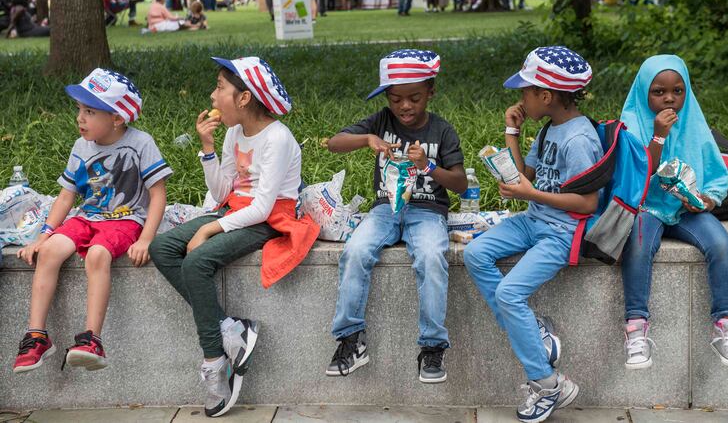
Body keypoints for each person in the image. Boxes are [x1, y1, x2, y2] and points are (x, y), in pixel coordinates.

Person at [149, 56, 318, 417]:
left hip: (269, 217)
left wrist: (210, 228)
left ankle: (215, 363)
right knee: (162, 247)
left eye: (220, 88)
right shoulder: (232, 133)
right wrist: (207, 149)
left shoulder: (278, 137)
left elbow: (262, 207)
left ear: (244, 98)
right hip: (233, 208)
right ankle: (229, 327)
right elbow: (224, 187)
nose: (212, 96)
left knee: (196, 262)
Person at [463, 46, 603, 422]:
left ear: (546, 96)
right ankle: (534, 331)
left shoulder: (579, 139)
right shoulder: (550, 128)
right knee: (475, 254)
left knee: (510, 293)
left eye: (525, 90)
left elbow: (588, 203)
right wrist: (513, 131)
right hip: (533, 218)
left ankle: (547, 383)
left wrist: (531, 194)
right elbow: (526, 173)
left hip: (560, 232)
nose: (521, 97)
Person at [12, 68, 171, 374]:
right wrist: (43, 236)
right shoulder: (81, 147)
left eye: (90, 111)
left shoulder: (141, 143)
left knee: (98, 255)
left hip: (125, 221)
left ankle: (91, 340)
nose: (80, 118)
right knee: (50, 252)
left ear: (117, 118)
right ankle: (36, 336)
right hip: (87, 218)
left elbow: (158, 195)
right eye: (79, 110)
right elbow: (65, 198)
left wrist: (146, 238)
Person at [325, 49, 467, 383]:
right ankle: (350, 338)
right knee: (356, 251)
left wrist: (428, 166)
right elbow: (333, 143)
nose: (405, 106)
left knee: (432, 256)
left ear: (430, 92)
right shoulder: (379, 122)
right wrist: (367, 139)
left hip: (427, 212)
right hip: (384, 211)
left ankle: (432, 347)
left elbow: (460, 183)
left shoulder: (442, 131)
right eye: (396, 98)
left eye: (415, 97)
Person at [619, 55, 728, 371]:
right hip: (647, 207)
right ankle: (636, 328)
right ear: (643, 92)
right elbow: (635, 173)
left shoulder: (694, 121)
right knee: (637, 246)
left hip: (687, 209)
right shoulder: (631, 121)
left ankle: (726, 326)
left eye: (677, 91)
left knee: (720, 244)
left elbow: (717, 174)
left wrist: (707, 200)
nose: (669, 99)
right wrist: (658, 135)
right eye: (658, 92)